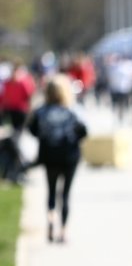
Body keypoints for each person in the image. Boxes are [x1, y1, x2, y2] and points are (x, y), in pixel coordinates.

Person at [28, 74, 88, 244]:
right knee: (66, 194)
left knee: (52, 191)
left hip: (49, 155)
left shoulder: (41, 111)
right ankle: (63, 231)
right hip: (69, 156)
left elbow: (32, 130)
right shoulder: (73, 110)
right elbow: (83, 132)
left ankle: (50, 222)